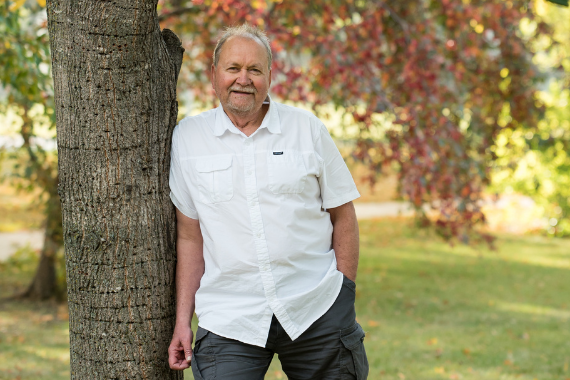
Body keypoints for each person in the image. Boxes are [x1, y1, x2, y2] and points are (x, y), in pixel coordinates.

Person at [167, 23, 368, 379]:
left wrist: (343, 293)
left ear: (269, 76)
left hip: (315, 308)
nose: (243, 79)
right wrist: (183, 321)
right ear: (215, 74)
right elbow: (189, 236)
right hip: (231, 317)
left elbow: (343, 214)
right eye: (233, 68)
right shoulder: (188, 140)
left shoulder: (307, 130)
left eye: (254, 69)